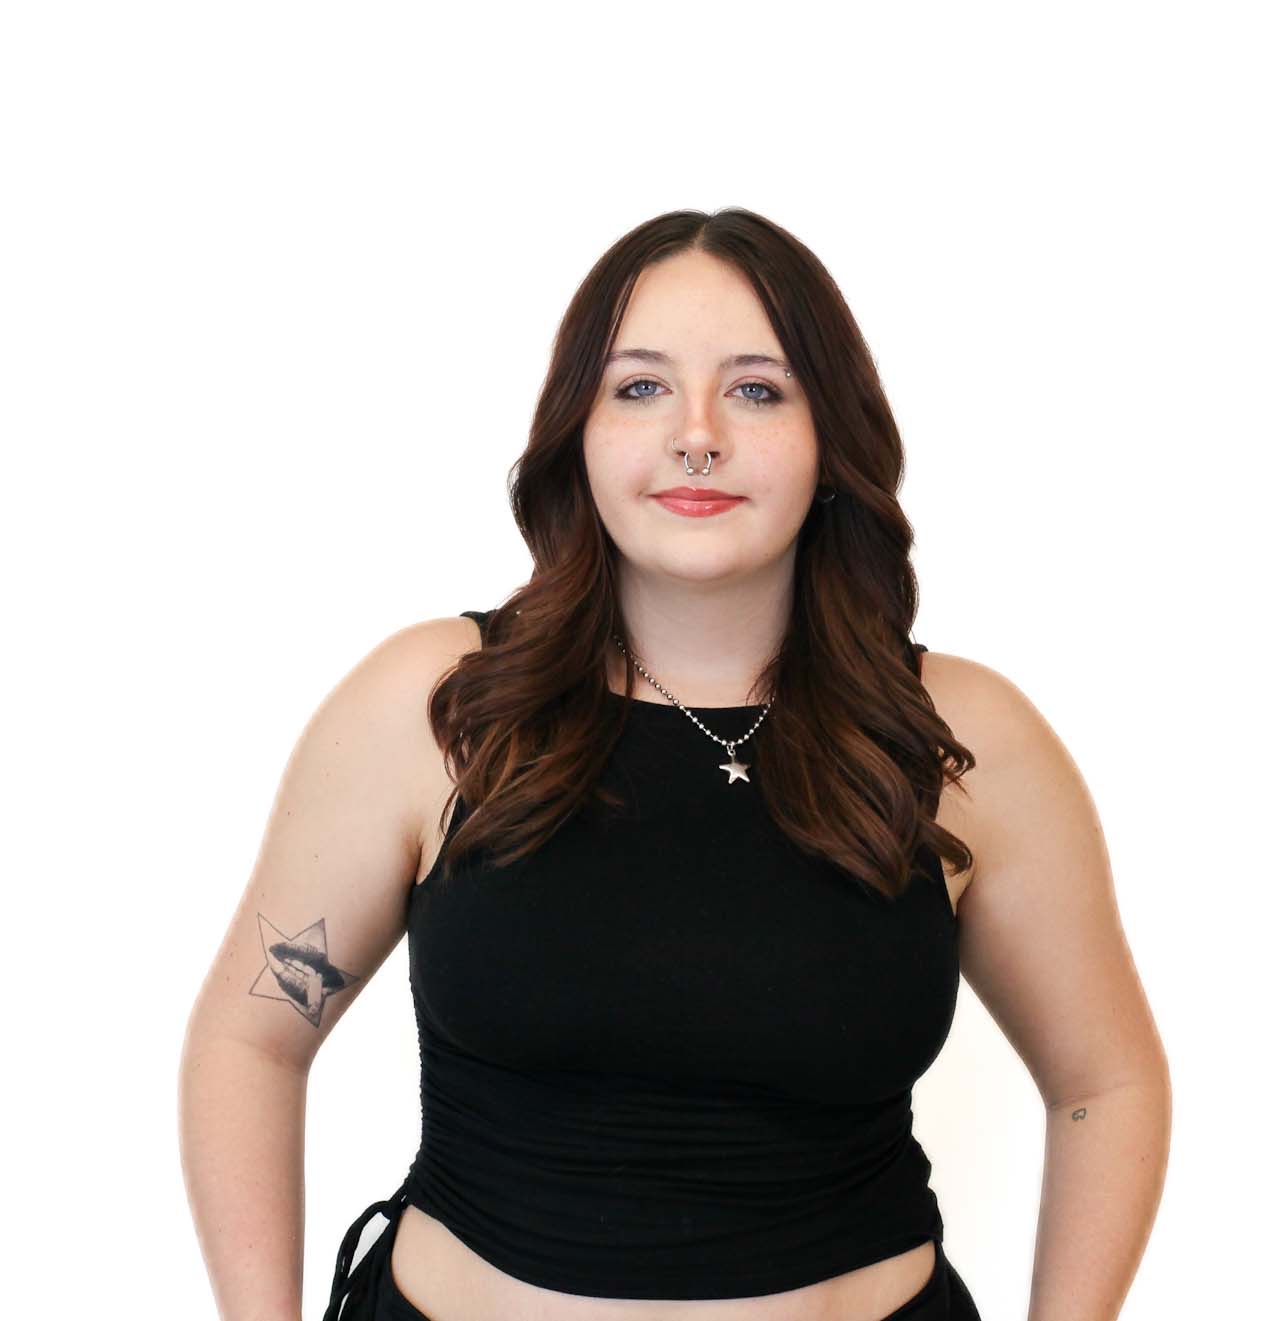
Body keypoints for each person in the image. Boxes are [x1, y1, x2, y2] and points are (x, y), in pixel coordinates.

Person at [179, 208, 1172, 1321]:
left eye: (757, 389)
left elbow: (1104, 1084)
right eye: (639, 387)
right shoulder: (440, 707)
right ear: (578, 433)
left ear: (828, 435)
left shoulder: (960, 737)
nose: (696, 434)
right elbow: (253, 1038)